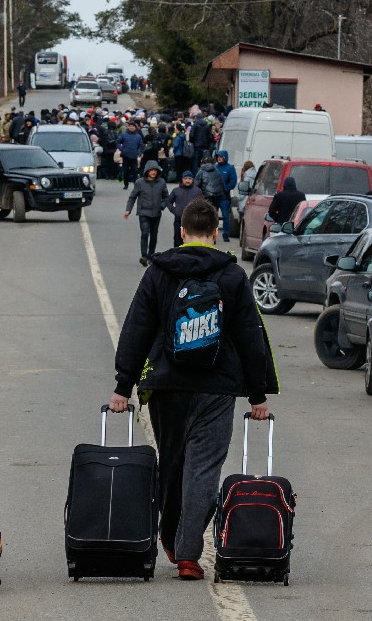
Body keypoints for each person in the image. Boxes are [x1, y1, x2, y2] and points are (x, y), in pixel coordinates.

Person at [109, 198, 276, 580]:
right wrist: (257, 394)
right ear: (216, 232)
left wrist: (123, 385)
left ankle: (166, 537)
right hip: (216, 390)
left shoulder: (159, 272)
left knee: (170, 464)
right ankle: (187, 553)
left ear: (181, 231)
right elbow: (250, 336)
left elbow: (138, 327)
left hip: (167, 386)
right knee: (203, 468)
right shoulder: (231, 276)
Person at [124, 160, 169, 266]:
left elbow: (166, 197)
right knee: (145, 233)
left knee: (154, 235)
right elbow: (132, 196)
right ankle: (144, 256)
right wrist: (128, 210)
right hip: (144, 212)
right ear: (147, 171)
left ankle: (151, 256)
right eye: (151, 170)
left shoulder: (161, 182)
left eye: (155, 170)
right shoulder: (140, 182)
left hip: (156, 213)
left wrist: (162, 206)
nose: (153, 172)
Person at [166, 170, 202, 247]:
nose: (187, 180)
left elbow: (202, 204)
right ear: (182, 179)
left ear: (192, 180)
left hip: (192, 221)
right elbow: (168, 202)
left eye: (189, 178)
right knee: (177, 239)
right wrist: (175, 210)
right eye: (185, 178)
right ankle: (177, 257)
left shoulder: (198, 191)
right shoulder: (176, 190)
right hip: (179, 219)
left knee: (191, 240)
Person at [213, 150, 238, 242]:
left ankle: (226, 234)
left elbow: (233, 181)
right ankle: (213, 234)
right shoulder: (215, 167)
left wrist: (226, 188)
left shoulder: (230, 168)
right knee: (214, 216)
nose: (219, 158)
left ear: (225, 157)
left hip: (224, 197)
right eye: (218, 156)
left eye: (221, 156)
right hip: (214, 196)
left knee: (226, 216)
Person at [117, 122, 144, 190]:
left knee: (135, 171)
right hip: (125, 155)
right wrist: (122, 149)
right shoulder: (124, 134)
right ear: (128, 127)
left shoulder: (138, 136)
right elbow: (118, 142)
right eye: (130, 126)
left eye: (133, 126)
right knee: (125, 171)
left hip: (134, 156)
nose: (131, 127)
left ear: (135, 127)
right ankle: (126, 184)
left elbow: (141, 145)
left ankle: (135, 184)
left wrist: (138, 152)